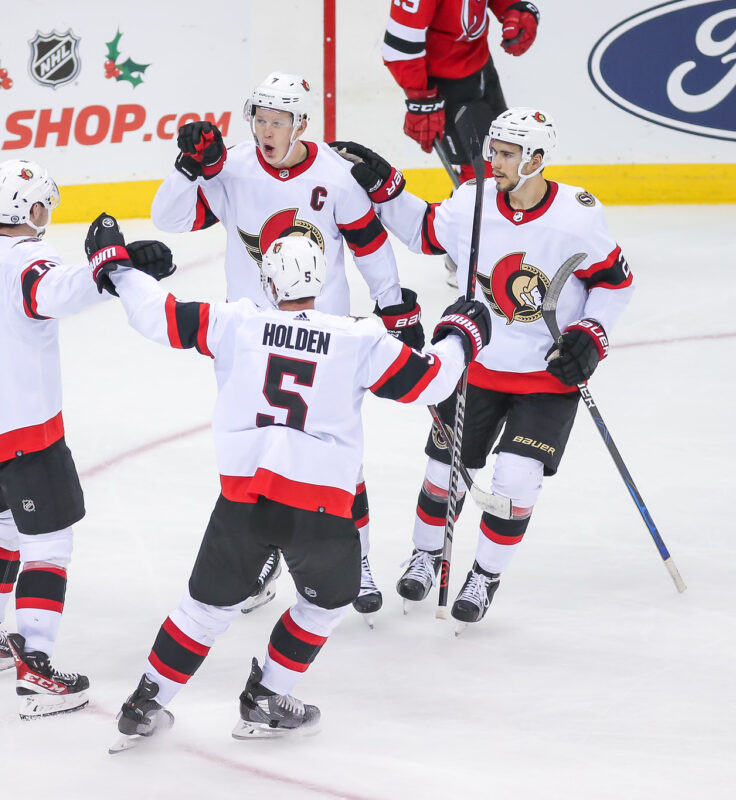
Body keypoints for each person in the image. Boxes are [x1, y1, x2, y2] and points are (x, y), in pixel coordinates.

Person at [102, 232, 491, 748]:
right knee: (327, 603)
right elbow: (433, 382)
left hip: (243, 500)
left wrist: (119, 267)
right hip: (320, 507)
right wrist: (461, 334)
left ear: (267, 280)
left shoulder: (236, 322)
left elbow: (155, 314)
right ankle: (267, 697)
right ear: (326, 279)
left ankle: (145, 702)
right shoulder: (357, 338)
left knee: (202, 610)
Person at [337, 107, 634, 628]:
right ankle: (427, 556)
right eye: (492, 150)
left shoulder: (577, 216)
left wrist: (591, 336)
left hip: (547, 373)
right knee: (443, 474)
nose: (492, 160)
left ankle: (485, 574)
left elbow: (615, 282)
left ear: (536, 160)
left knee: (516, 479)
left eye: (506, 154)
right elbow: (425, 232)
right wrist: (388, 186)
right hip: (475, 365)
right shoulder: (473, 201)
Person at [151, 70, 425, 622]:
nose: (266, 130)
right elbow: (169, 217)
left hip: (323, 340)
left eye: (278, 121)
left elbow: (369, 241)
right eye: (260, 118)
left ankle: (361, 560)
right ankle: (257, 565)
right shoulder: (231, 166)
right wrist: (188, 169)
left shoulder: (334, 174)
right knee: (253, 458)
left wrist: (393, 304)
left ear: (301, 123)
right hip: (250, 340)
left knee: (338, 458)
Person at [0, 159, 174, 719]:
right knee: (48, 545)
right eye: (43, 204)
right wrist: (110, 264)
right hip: (23, 433)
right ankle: (36, 667)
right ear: (32, 209)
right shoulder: (28, 263)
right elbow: (60, 290)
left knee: (0, 526)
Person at [381, 0, 540, 182]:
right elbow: (399, 47)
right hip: (446, 86)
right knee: (485, 175)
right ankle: (466, 208)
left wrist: (512, 8)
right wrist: (421, 99)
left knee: (509, 155)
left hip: (482, 67)